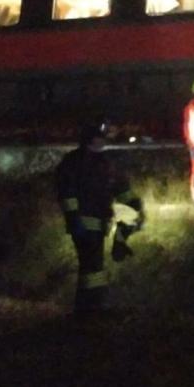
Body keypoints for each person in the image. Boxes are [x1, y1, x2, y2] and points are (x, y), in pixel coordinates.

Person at [56, 120, 145, 317]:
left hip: (95, 223)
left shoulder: (101, 163)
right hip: (84, 224)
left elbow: (119, 188)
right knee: (92, 267)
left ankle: (87, 308)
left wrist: (134, 205)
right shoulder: (76, 163)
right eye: (100, 138)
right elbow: (66, 193)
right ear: (92, 139)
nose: (103, 141)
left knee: (92, 268)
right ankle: (91, 308)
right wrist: (73, 217)